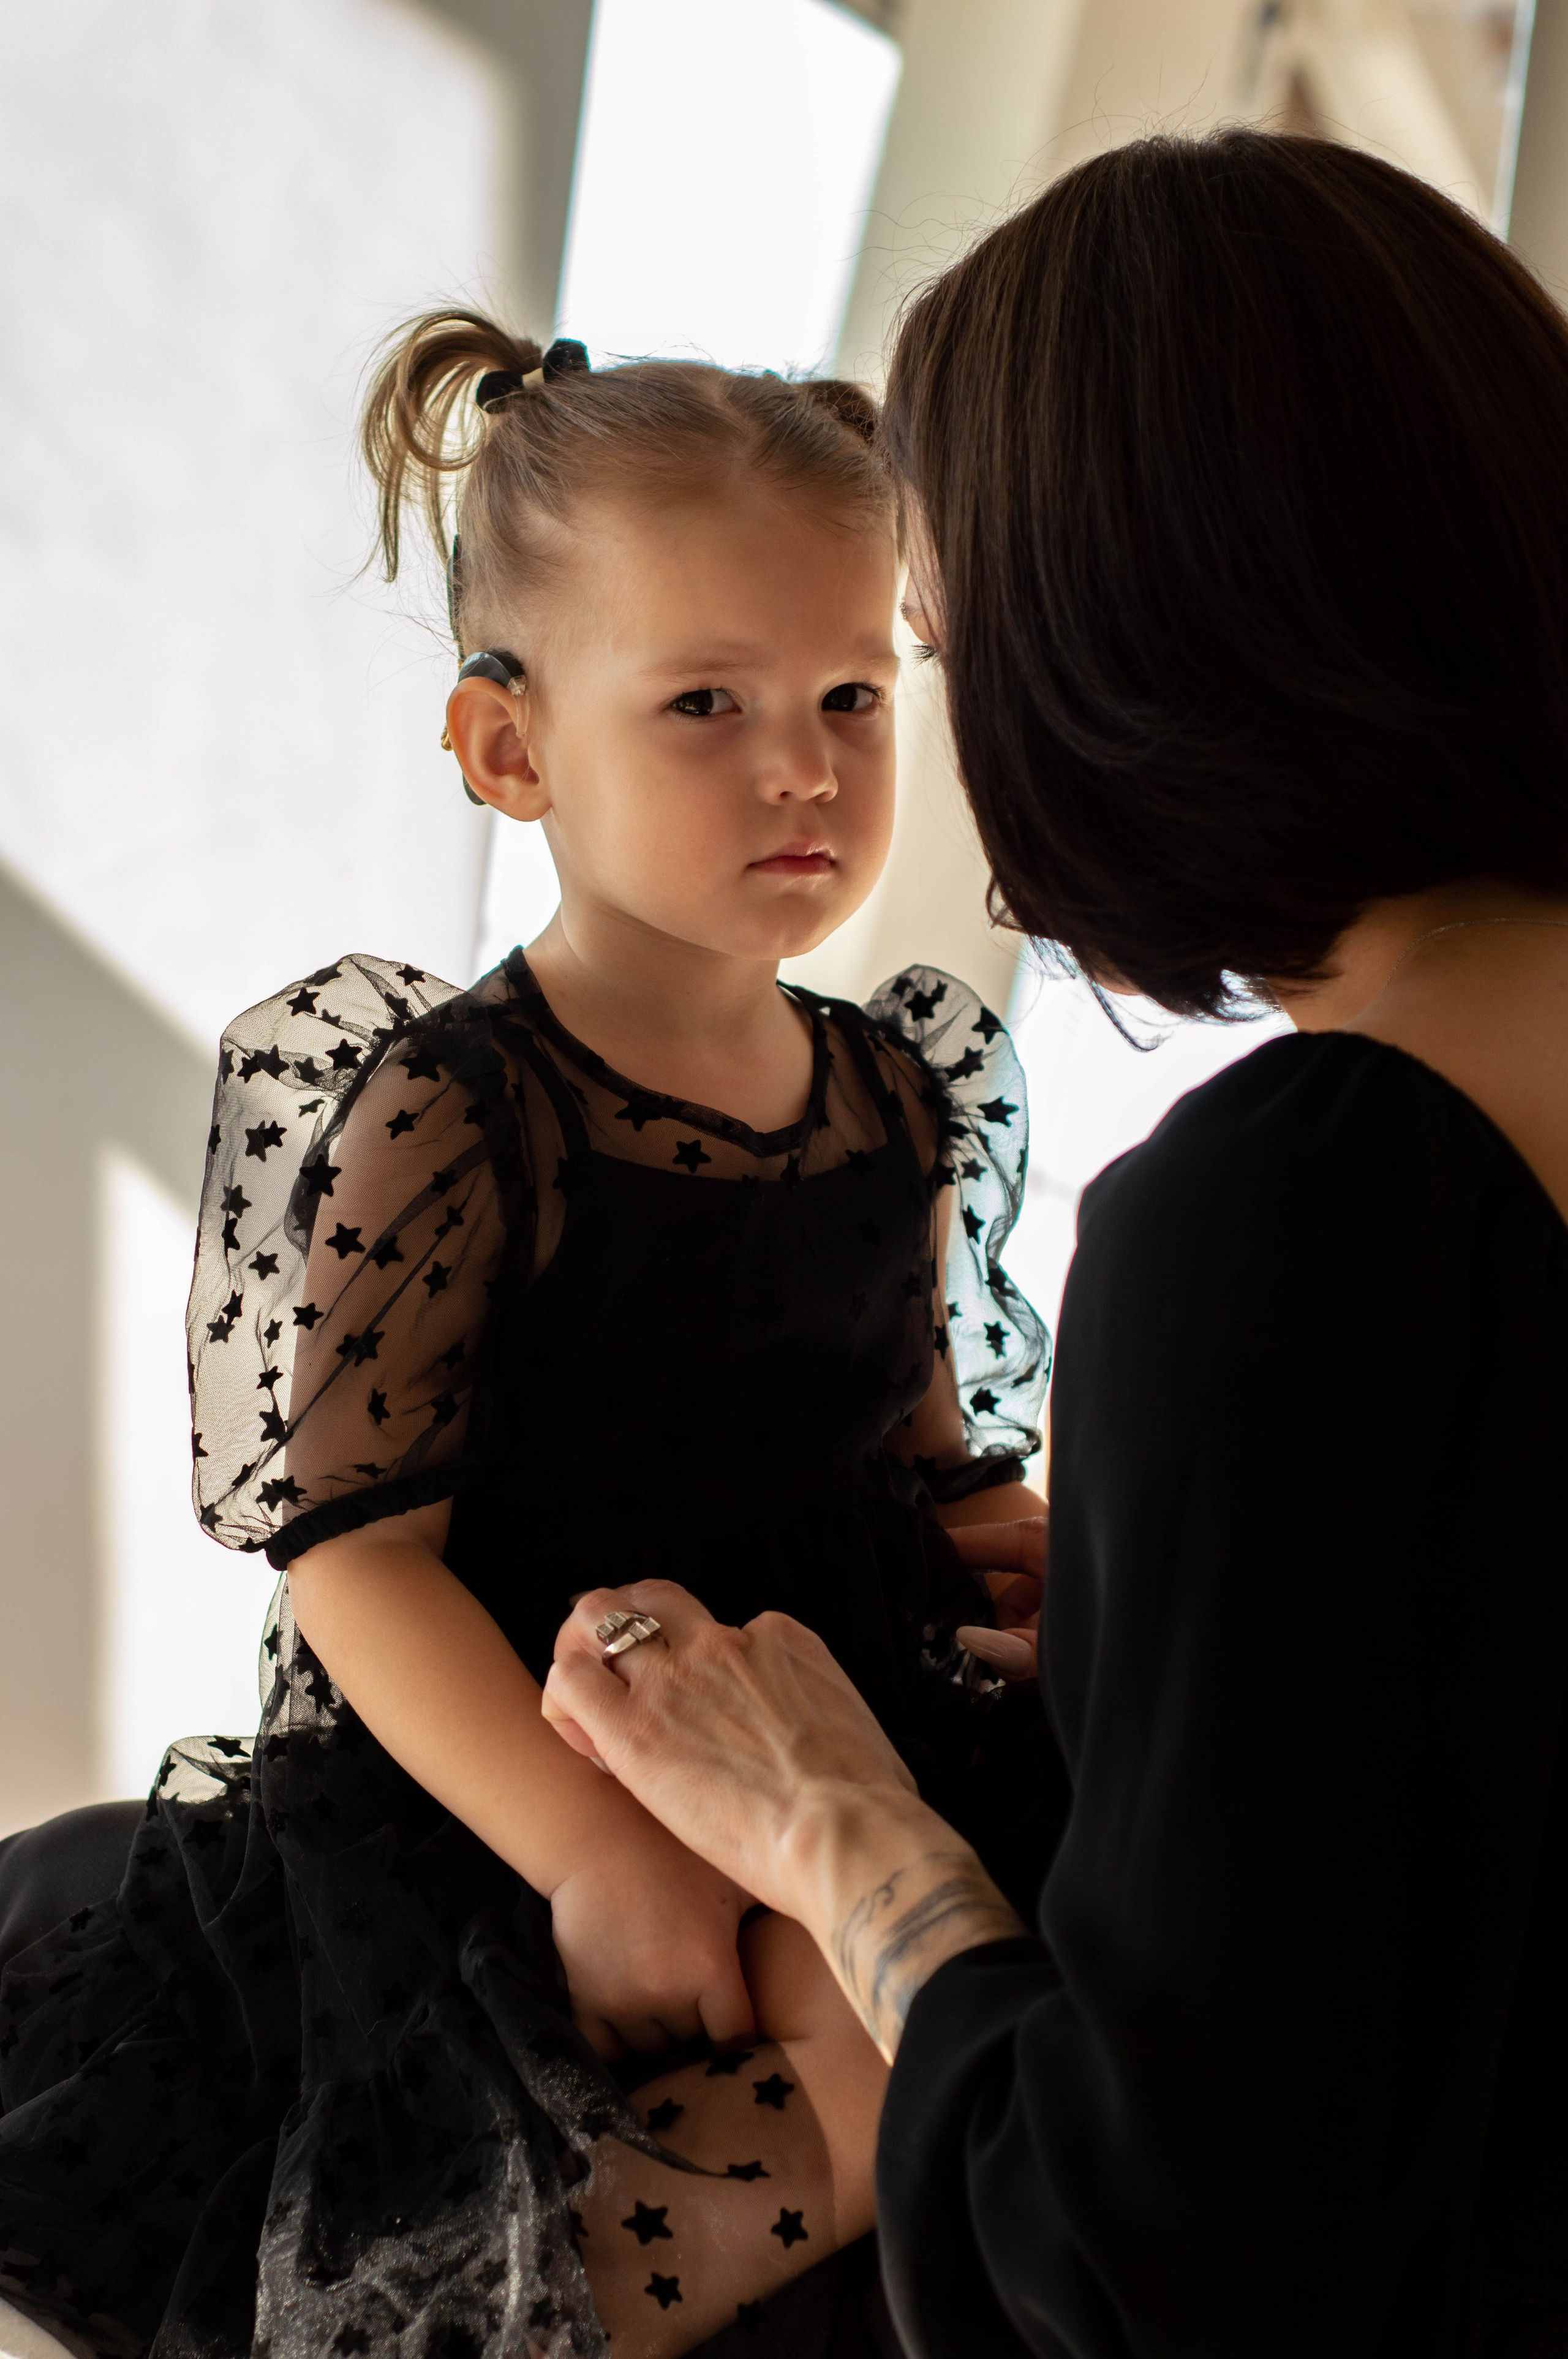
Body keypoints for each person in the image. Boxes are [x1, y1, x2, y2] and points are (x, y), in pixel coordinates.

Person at [544, 129, 1568, 2358]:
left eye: (910, 664)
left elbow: (1163, 2268)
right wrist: (1170, 1644)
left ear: (1122, 647)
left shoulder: (1293, 1218)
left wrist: (844, 1836)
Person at [0, 317, 1053, 2358]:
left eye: (853, 691)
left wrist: (1033, 1550)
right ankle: (439, 2327)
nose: (804, 764)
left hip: (829, 1722)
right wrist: (589, 1853)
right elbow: (354, 1550)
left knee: (945, 2015)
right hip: (527, 1766)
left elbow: (928, 1457)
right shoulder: (458, 1107)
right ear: (509, 750)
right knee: (763, 2053)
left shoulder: (896, 1095)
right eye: (706, 704)